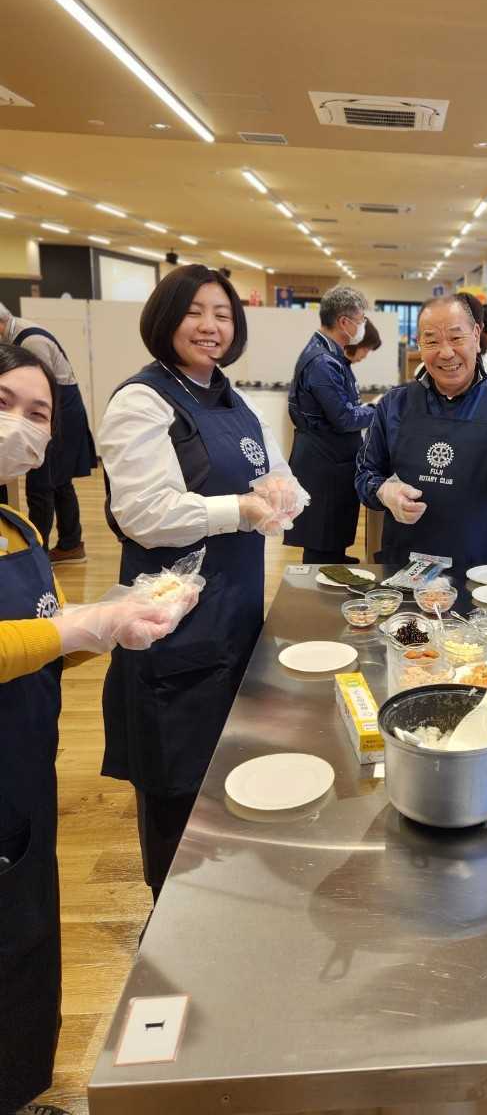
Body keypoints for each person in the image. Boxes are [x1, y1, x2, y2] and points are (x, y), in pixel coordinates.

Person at [0, 343, 191, 1115]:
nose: (19, 425)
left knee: (25, 943)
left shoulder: (17, 525)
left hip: (23, 774)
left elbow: (37, 638)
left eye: (37, 413)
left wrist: (111, 625)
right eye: (5, 403)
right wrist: (84, 626)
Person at [99, 265, 306, 901]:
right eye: (194, 312)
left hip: (236, 617)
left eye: (222, 314)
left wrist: (283, 494)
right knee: (175, 786)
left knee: (227, 771)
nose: (210, 326)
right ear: (165, 318)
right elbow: (144, 514)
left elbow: (282, 477)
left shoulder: (233, 400)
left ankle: (223, 903)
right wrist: (241, 509)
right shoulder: (143, 401)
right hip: (173, 629)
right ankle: (169, 917)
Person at [356, 293, 487, 574]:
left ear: (476, 335)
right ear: (419, 344)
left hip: (480, 568)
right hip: (406, 567)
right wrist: (383, 491)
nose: (446, 353)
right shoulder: (394, 404)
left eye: (456, 338)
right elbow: (365, 474)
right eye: (432, 341)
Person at [284, 286, 375, 566]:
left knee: (334, 528)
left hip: (334, 456)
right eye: (361, 320)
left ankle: (336, 560)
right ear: (344, 322)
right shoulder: (322, 362)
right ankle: (323, 575)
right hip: (323, 459)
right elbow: (344, 418)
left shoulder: (331, 354)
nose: (362, 326)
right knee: (321, 536)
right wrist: (378, 411)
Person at [0, 301, 96, 564]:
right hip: (55, 411)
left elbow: (38, 393)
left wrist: (36, 419)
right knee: (58, 481)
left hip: (62, 412)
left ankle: (37, 552)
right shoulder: (21, 332)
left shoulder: (30, 342)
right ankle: (70, 543)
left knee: (43, 484)